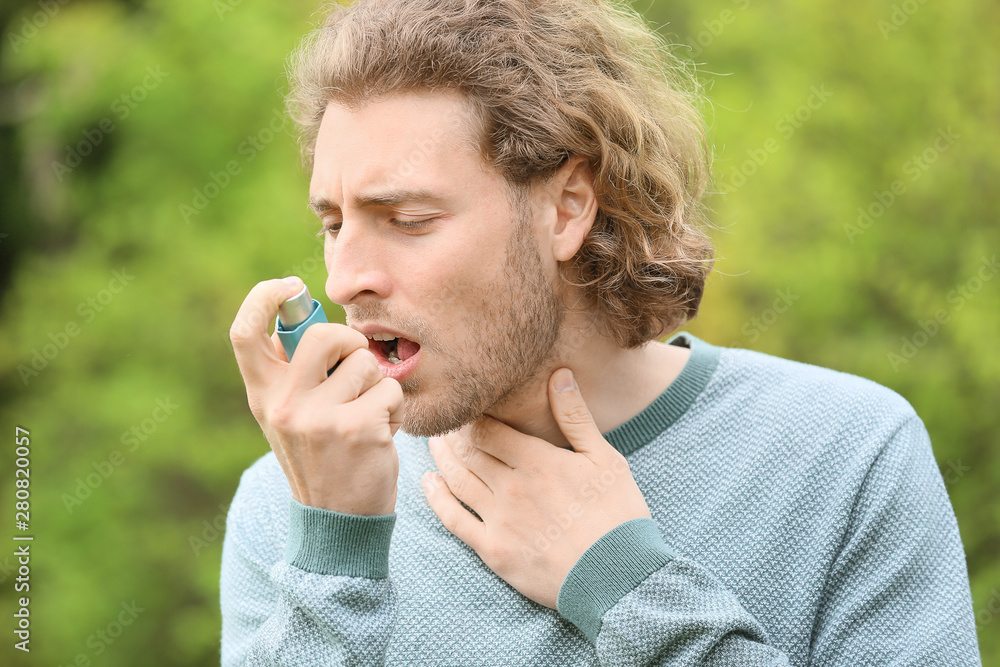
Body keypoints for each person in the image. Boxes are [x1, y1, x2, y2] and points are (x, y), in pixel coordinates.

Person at [221, 0, 981, 664]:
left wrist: (626, 586)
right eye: (332, 222)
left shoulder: (847, 457)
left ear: (568, 207)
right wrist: (334, 555)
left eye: (408, 219)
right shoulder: (292, 507)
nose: (345, 276)